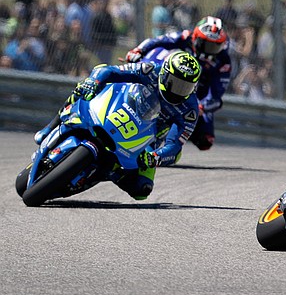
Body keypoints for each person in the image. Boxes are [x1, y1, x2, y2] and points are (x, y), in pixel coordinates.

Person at [33, 51, 201, 200]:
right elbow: (109, 70)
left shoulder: (190, 110)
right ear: (165, 74)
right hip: (124, 108)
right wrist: (93, 81)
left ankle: (112, 171)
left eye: (186, 86)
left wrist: (155, 157)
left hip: (149, 138)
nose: (180, 91)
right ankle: (50, 127)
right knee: (82, 90)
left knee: (142, 190)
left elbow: (175, 146)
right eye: (176, 83)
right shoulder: (150, 71)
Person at [125, 16, 230, 151]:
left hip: (197, 95)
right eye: (206, 44)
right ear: (196, 38)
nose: (209, 51)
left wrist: (202, 107)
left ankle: (169, 132)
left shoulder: (223, 60)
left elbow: (216, 95)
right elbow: (157, 41)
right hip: (173, 79)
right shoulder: (185, 36)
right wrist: (138, 51)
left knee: (206, 140)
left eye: (215, 47)